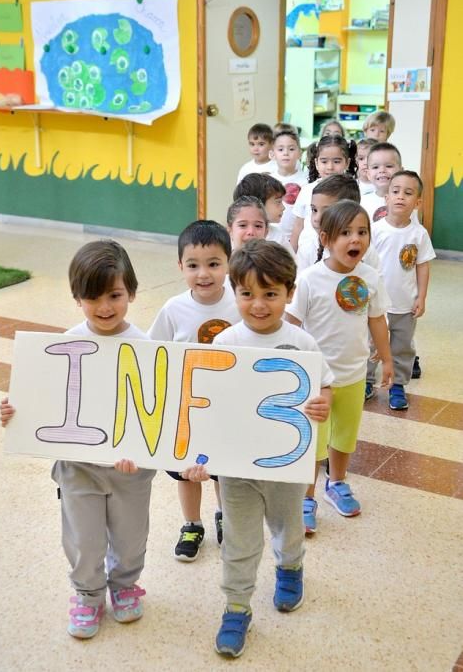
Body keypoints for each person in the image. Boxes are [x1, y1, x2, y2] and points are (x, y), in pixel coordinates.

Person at [0, 240, 156, 639]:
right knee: (83, 540)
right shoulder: (61, 345)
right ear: (76, 298)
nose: (104, 306)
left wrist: (138, 453)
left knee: (131, 537)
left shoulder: (147, 349)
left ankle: (124, 587)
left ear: (132, 294)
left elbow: (155, 414)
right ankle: (88, 595)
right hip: (77, 469)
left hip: (130, 472)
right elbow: (42, 403)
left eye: (115, 295)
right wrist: (17, 413)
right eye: (92, 297)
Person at [209, 239, 333, 658]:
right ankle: (237, 606)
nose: (258, 305)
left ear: (289, 293)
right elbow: (205, 401)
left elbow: (325, 385)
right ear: (234, 293)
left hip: (285, 465)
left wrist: (322, 402)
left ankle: (291, 566)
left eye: (270, 294)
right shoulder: (224, 343)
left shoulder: (303, 343)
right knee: (239, 541)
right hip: (238, 469)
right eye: (247, 294)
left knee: (288, 526)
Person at [286, 201, 393, 533]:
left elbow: (377, 320)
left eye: (361, 232)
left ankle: (338, 483)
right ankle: (306, 497)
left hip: (353, 373)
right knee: (313, 440)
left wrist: (388, 359)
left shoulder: (371, 278)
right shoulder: (310, 279)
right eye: (345, 233)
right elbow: (291, 321)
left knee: (345, 435)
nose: (354, 239)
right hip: (317, 378)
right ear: (326, 238)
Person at [147, 220, 241, 561]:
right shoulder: (173, 309)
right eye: (193, 266)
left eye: (214, 264)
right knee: (186, 472)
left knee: (222, 469)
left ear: (228, 262)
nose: (204, 274)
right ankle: (191, 524)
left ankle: (224, 517)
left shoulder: (239, 301)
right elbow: (151, 352)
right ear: (180, 266)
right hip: (185, 410)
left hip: (227, 407)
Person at [366, 171, 435, 410]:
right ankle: (366, 380)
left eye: (408, 193)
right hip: (375, 305)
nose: (400, 197)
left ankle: (398, 385)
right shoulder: (374, 230)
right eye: (395, 191)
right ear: (386, 197)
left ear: (417, 203)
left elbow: (423, 265)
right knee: (369, 344)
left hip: (405, 305)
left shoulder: (419, 234)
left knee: (402, 346)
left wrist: (422, 297)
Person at [290, 134, 358, 252]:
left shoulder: (351, 191)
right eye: (324, 161)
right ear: (316, 163)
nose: (330, 167)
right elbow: (298, 226)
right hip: (307, 252)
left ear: (347, 163)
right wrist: (291, 255)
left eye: (337, 161)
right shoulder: (307, 191)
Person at [295, 173, 360, 273]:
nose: (317, 219)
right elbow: (299, 286)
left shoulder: (364, 249)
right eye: (314, 210)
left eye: (326, 211)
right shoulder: (308, 249)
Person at [233, 172, 295, 256]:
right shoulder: (233, 238)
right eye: (278, 202)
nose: (283, 207)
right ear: (258, 204)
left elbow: (292, 266)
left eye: (258, 226)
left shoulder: (278, 237)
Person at [269, 128, 307, 240]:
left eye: (291, 149)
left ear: (300, 153)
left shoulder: (306, 181)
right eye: (280, 149)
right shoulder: (267, 180)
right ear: (272, 154)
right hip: (271, 237)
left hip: (296, 238)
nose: (285, 153)